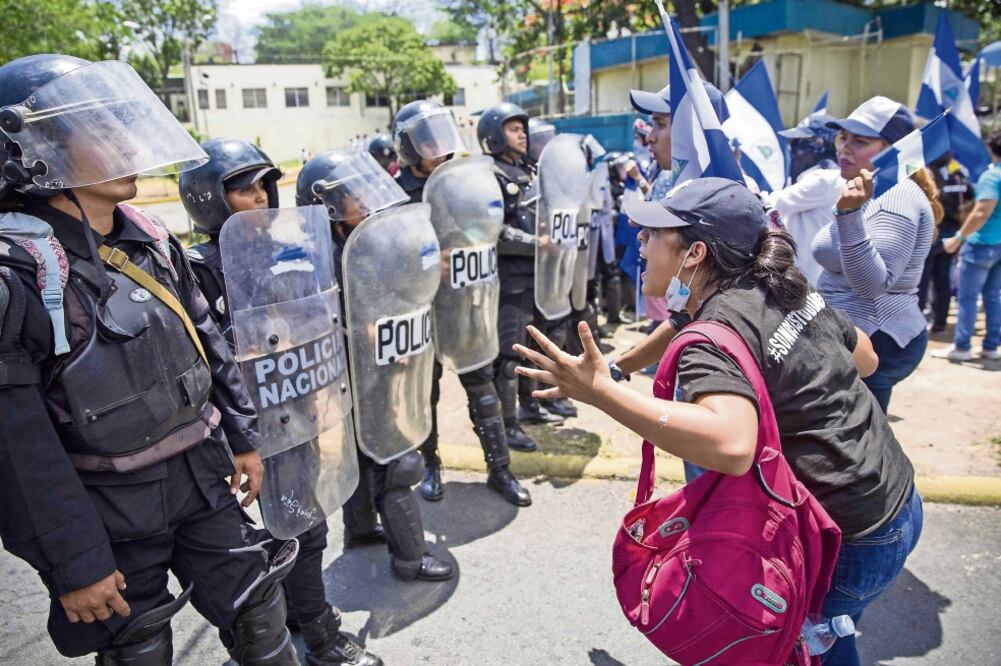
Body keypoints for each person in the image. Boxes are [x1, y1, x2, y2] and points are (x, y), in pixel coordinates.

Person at [515, 177, 922, 666]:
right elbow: (867, 360)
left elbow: (731, 445)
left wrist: (602, 392)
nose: (639, 240)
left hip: (847, 540)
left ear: (696, 253)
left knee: (799, 647)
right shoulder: (781, 284)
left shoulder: (716, 333)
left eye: (654, 232)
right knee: (825, 634)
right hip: (897, 501)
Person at [0, 54, 300, 664]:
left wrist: (243, 436)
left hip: (202, 479)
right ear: (37, 148)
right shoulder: (18, 274)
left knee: (261, 613)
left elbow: (207, 339)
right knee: (138, 647)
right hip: (108, 509)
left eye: (118, 121)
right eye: (98, 127)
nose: (121, 139)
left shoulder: (151, 237)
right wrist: (75, 562)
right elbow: (16, 443)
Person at [179, 139, 382, 666]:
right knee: (258, 550)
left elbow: (315, 325)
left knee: (307, 529)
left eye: (264, 185)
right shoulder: (192, 269)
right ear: (209, 198)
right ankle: (303, 637)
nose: (261, 197)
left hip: (293, 418)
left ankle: (313, 630)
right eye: (244, 189)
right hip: (238, 437)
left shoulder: (285, 251)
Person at [296, 151, 455, 582]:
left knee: (367, 454)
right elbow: (310, 320)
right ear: (326, 204)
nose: (364, 197)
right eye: (352, 192)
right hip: (350, 372)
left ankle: (362, 529)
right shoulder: (314, 256)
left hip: (378, 366)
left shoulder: (364, 239)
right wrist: (362, 333)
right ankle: (410, 558)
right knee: (396, 459)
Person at [392, 100, 531, 506]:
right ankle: (432, 464)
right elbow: (384, 258)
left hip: (467, 301)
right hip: (421, 307)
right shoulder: (395, 194)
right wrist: (428, 264)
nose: (437, 144)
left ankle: (500, 469)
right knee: (425, 394)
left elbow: (486, 229)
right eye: (426, 138)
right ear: (408, 145)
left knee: (482, 385)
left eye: (440, 134)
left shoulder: (465, 180)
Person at [813, 96, 942, 413]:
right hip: (860, 337)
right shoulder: (874, 191)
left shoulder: (896, 199)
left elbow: (872, 284)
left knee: (856, 450)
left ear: (895, 150)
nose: (844, 147)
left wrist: (847, 216)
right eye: (843, 137)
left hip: (876, 338)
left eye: (861, 141)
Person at [606, 82, 730, 381]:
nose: (649, 137)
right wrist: (618, 368)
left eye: (660, 124)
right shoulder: (681, 184)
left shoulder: (725, 204)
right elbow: (683, 317)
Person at [476, 101, 564, 450]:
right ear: (495, 136)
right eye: (514, 129)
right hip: (511, 279)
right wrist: (537, 243)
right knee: (510, 356)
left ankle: (531, 405)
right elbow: (493, 231)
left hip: (537, 276)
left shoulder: (528, 171)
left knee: (533, 349)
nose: (523, 133)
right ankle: (507, 425)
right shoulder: (490, 176)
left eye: (523, 128)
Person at [932, 128, 1001, 361]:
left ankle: (962, 346)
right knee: (992, 296)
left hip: (981, 244)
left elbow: (982, 212)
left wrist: (958, 238)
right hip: (998, 245)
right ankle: (991, 345)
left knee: (967, 297)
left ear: (991, 148)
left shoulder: (992, 177)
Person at [764, 113, 844, 285]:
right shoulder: (818, 178)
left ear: (820, 146)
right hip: (802, 276)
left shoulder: (825, 180)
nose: (793, 151)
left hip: (808, 281)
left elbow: (770, 204)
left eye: (799, 144)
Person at [920, 155, 974, 334]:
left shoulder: (928, 177)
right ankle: (940, 324)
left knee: (922, 281)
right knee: (942, 281)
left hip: (933, 235)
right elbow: (971, 198)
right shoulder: (959, 176)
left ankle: (919, 324)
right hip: (951, 234)